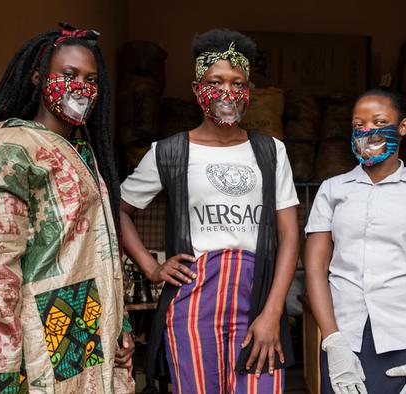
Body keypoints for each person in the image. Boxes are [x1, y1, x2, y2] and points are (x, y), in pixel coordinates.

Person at [119, 28, 299, 393]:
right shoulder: (169, 152)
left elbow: (290, 235)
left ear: (249, 91)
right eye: (216, 81)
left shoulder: (270, 151)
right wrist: (152, 268)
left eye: (238, 82)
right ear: (197, 87)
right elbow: (117, 211)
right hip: (193, 302)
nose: (228, 92)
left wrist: (273, 312)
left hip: (259, 298)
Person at [0, 23, 134, 393]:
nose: (80, 86)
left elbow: (95, 250)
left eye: (91, 78)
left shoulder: (84, 151)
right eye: (68, 75)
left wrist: (121, 326)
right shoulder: (10, 149)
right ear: (38, 77)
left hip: (81, 326)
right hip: (37, 333)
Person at [304, 88, 406, 394]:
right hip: (345, 336)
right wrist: (332, 340)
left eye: (379, 121)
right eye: (359, 125)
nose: (368, 131)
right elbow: (315, 267)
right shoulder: (332, 191)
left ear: (403, 127)